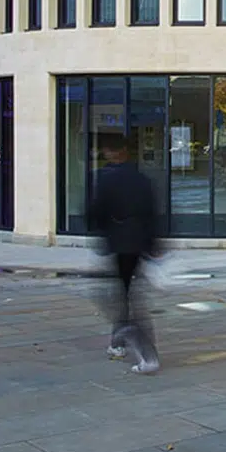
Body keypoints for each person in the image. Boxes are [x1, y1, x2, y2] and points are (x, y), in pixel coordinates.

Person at [88, 134, 162, 374]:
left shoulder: (106, 179)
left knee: (122, 298)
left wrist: (102, 233)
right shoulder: (142, 179)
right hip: (138, 244)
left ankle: (145, 354)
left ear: (111, 152)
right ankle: (117, 342)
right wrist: (153, 244)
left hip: (119, 242)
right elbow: (153, 213)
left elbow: (95, 212)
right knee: (126, 295)